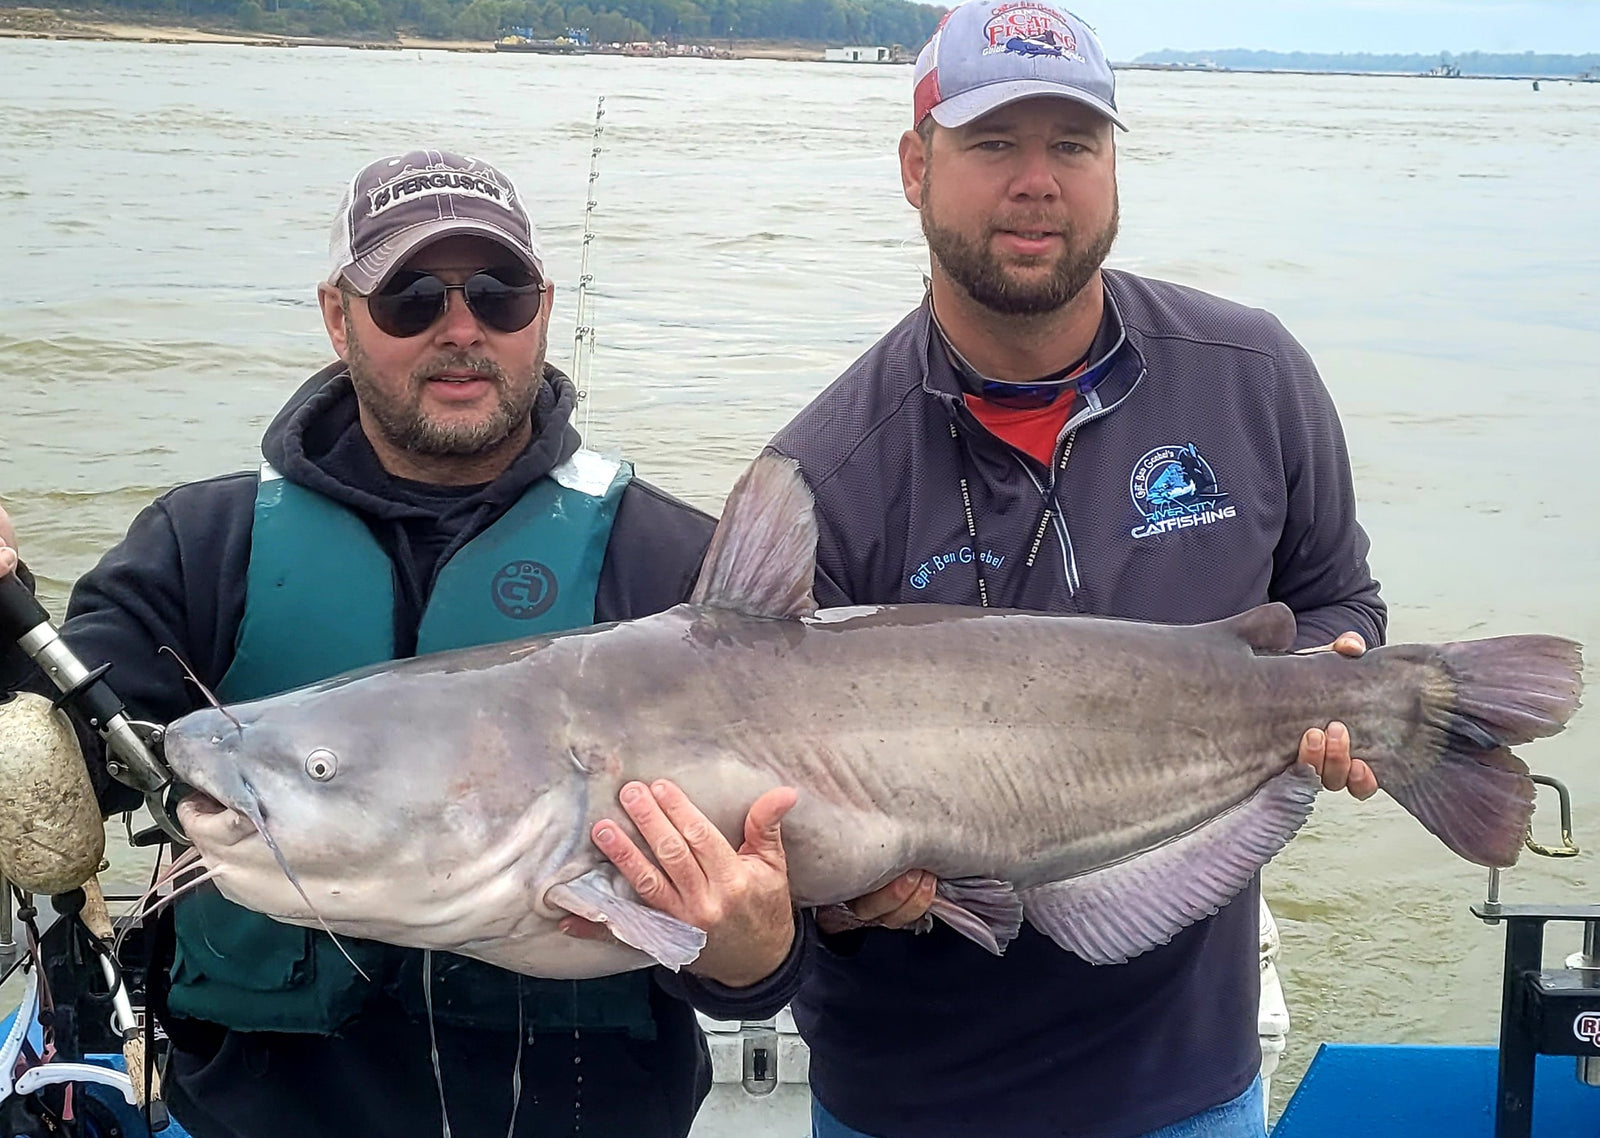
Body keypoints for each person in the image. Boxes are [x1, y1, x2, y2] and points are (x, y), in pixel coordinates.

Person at [0, 149, 803, 1138]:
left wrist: (754, 957)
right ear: (339, 316)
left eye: (498, 295)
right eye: (410, 298)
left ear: (544, 309)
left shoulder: (673, 567)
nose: (460, 330)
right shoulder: (202, 548)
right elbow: (60, 760)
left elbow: (784, 951)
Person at [765, 5, 1386, 1137]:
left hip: (1188, 1081)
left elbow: (1336, 595)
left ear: (1112, 166)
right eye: (994, 143)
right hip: (913, 1102)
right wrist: (847, 900)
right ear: (915, 168)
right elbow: (771, 856)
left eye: (1073, 144)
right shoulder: (824, 476)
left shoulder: (1252, 377)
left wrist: (1332, 678)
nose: (1037, 182)